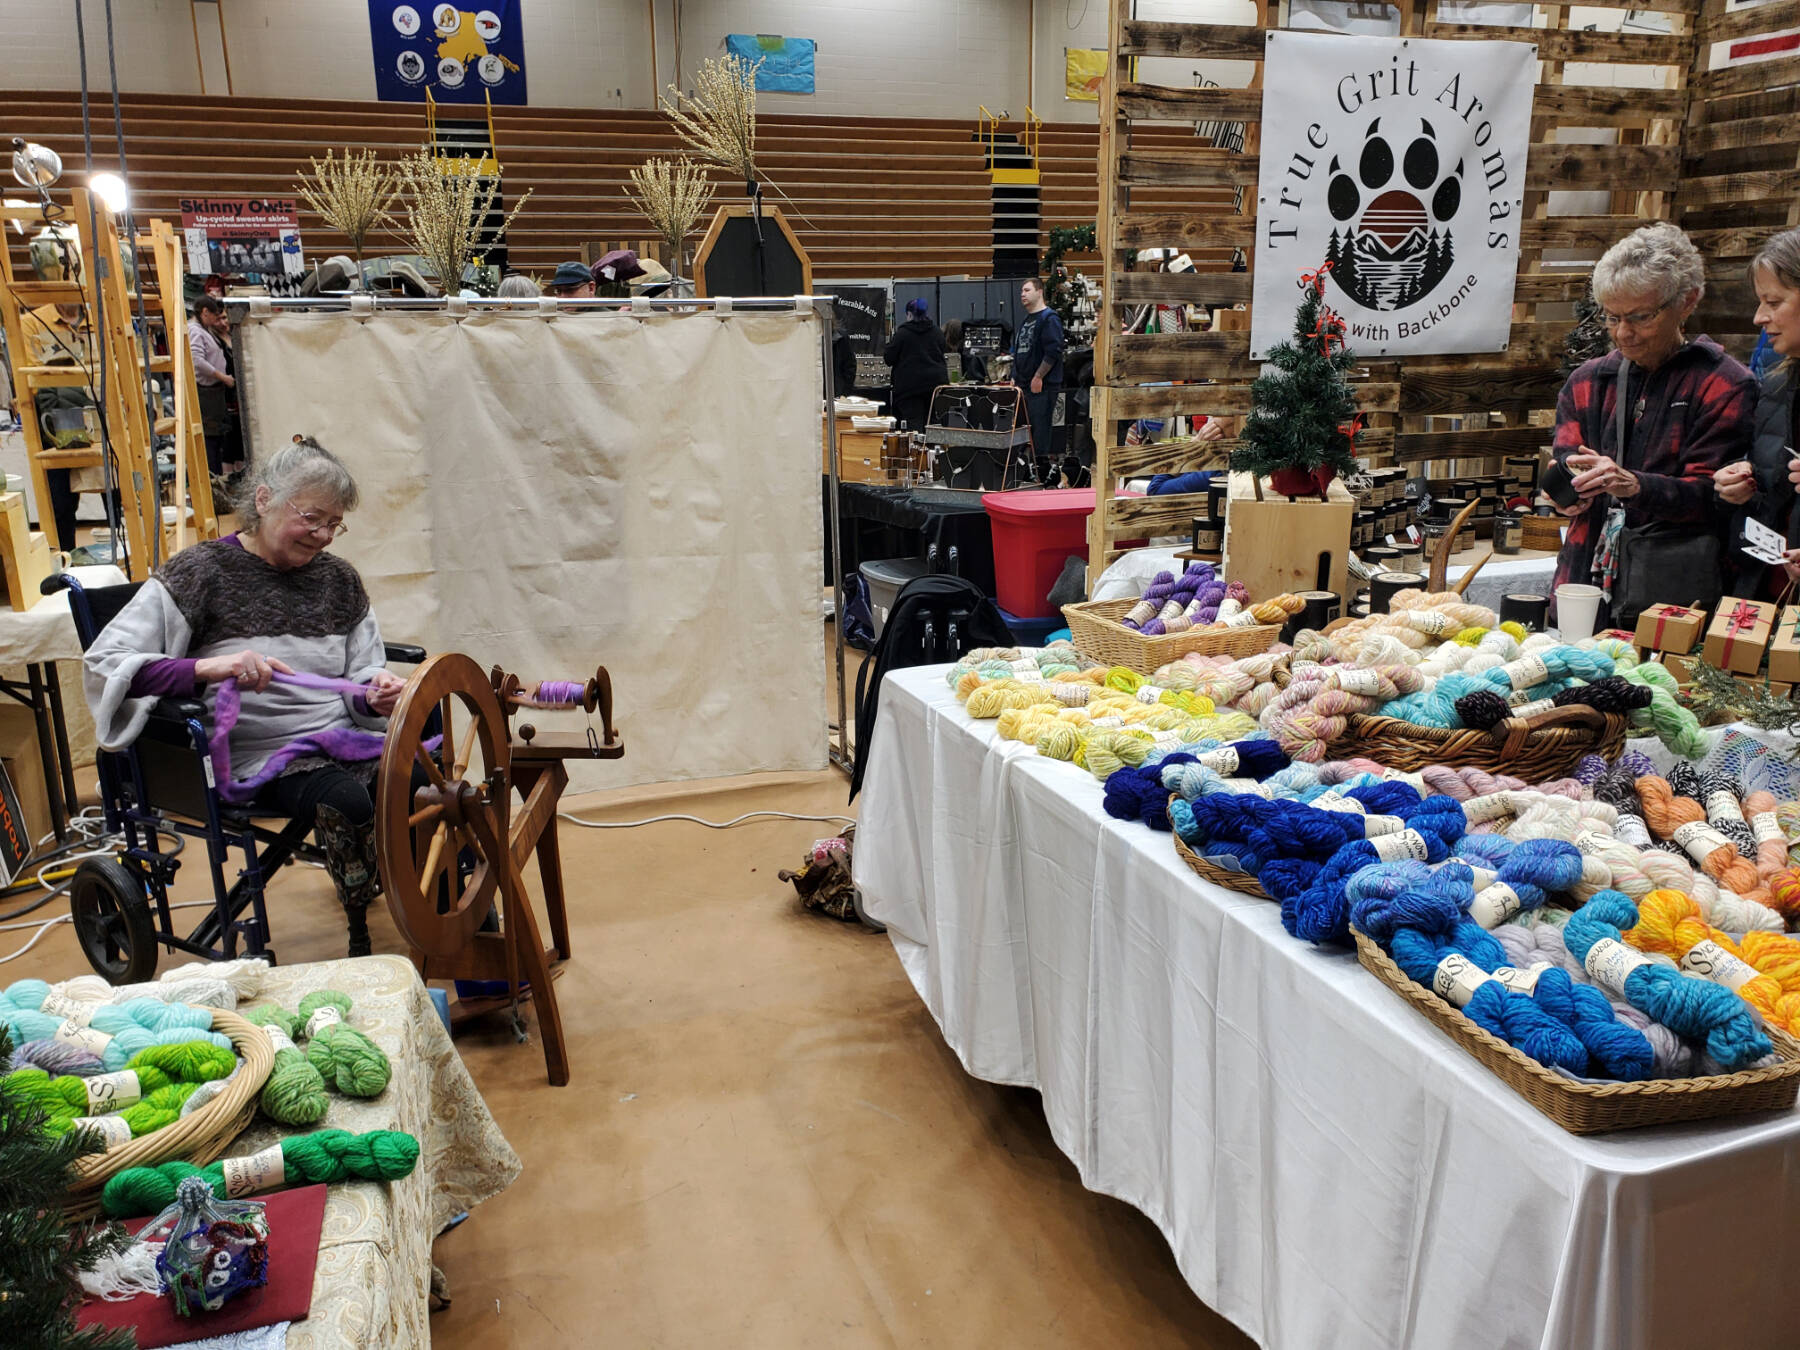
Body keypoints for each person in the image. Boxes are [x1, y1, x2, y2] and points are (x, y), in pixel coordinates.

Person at [83, 438, 408, 957]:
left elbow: (359, 676)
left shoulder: (340, 581)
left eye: (334, 524)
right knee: (349, 800)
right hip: (257, 757)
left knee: (435, 789)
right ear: (263, 500)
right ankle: (365, 951)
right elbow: (108, 664)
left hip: (340, 739)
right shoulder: (200, 572)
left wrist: (376, 695)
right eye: (312, 518)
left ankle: (469, 954)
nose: (323, 535)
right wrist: (210, 667)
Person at [1547, 222, 1756, 628]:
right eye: (1611, 318)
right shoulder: (1589, 380)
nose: (1624, 333)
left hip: (1672, 591)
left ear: (1687, 301)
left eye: (1641, 317)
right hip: (1581, 578)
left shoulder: (1724, 384)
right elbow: (1562, 462)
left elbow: (1713, 498)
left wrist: (1637, 486)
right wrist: (1566, 490)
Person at [1716, 226, 1800, 589]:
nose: (1759, 318)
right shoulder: (1778, 383)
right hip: (1770, 592)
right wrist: (1740, 483)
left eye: (1774, 302)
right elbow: (1771, 481)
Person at [1012, 277, 1066, 485]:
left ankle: (1042, 476)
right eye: (1021, 291)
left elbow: (1053, 350)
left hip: (1041, 386)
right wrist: (1014, 377)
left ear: (1039, 292)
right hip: (1023, 385)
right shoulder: (1026, 320)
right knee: (1022, 431)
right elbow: (1019, 351)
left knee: (1040, 432)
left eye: (1027, 290)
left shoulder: (1048, 318)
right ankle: (1024, 472)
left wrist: (1039, 376)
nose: (1022, 294)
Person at [188, 296, 243, 478]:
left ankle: (216, 479)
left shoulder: (203, 330)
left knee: (216, 438)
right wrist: (223, 377)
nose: (217, 320)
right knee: (212, 439)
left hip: (213, 391)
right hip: (207, 392)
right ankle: (214, 480)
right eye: (215, 316)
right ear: (205, 312)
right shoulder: (196, 331)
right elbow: (197, 361)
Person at [883, 298, 948, 432]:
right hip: (935, 386)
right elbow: (943, 350)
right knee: (933, 422)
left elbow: (889, 358)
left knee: (913, 424)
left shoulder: (902, 334)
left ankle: (916, 451)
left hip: (909, 388)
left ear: (910, 314)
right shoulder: (937, 332)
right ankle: (933, 451)